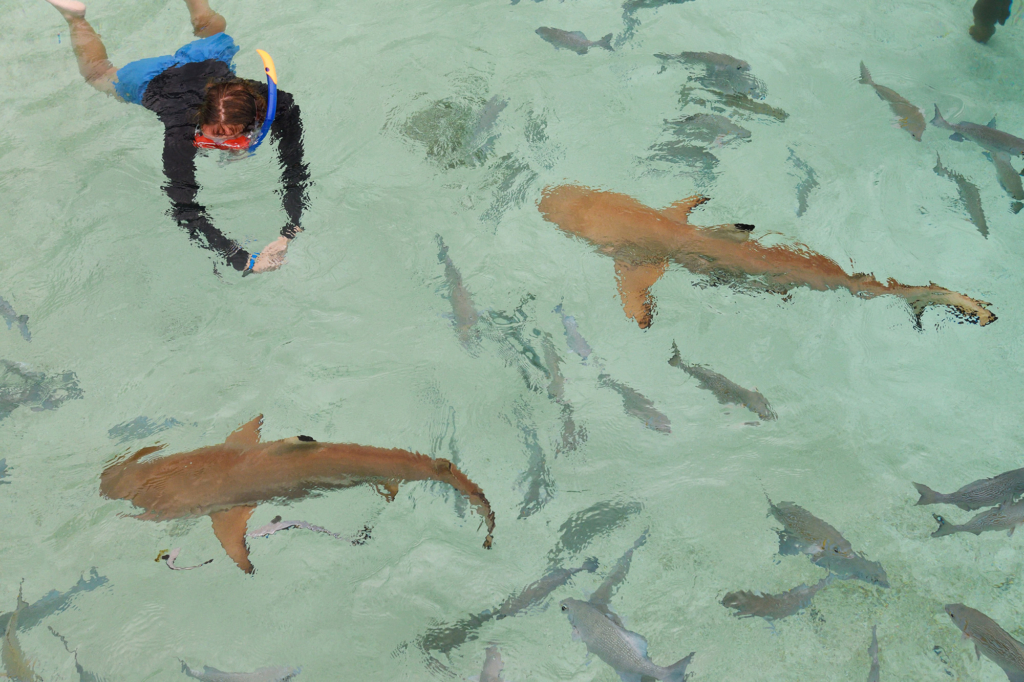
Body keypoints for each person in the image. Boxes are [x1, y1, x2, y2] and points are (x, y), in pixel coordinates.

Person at [43, 0, 311, 274]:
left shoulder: (279, 106)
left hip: (207, 59)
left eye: (229, 142)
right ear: (200, 121)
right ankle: (75, 18)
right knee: (98, 73)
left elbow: (295, 171)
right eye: (209, 140)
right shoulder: (180, 135)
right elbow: (184, 208)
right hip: (149, 80)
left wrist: (287, 232)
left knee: (210, 26)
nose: (218, 148)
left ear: (254, 122)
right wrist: (241, 258)